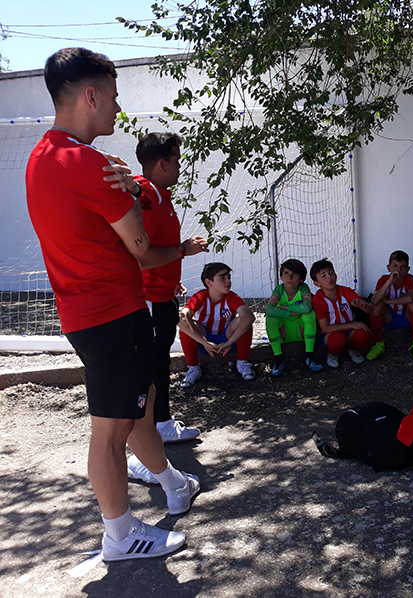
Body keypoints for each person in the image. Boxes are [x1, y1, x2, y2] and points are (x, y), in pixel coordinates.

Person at [26, 47, 201, 561]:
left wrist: (127, 192)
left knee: (138, 406)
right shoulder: (88, 163)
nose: (118, 108)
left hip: (88, 311)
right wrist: (130, 194)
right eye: (114, 96)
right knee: (110, 430)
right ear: (90, 95)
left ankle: (173, 484)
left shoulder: (42, 156)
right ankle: (120, 535)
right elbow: (141, 247)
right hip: (111, 312)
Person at [134, 132, 208, 443]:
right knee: (154, 365)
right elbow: (140, 256)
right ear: (162, 164)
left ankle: (160, 424)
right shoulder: (146, 198)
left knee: (159, 361)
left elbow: (155, 250)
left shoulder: (159, 195)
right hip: (149, 299)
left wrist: (171, 276)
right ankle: (156, 428)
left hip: (162, 294)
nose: (180, 167)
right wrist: (181, 251)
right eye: (177, 161)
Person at [178, 262, 256, 386]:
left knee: (244, 320)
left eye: (229, 277)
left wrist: (230, 342)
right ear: (209, 282)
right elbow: (181, 319)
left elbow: (249, 316)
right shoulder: (199, 297)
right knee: (185, 325)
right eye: (222, 278)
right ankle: (194, 368)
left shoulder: (232, 297)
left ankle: (242, 362)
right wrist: (205, 343)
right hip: (203, 344)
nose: (228, 281)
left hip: (228, 343)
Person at [310, 258, 375, 368]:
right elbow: (325, 328)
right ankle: (332, 353)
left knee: (363, 334)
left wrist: (363, 305)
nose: (329, 277)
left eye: (331, 273)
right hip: (329, 334)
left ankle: (353, 349)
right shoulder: (317, 300)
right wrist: (352, 325)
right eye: (324, 276)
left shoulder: (346, 291)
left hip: (349, 332)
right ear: (317, 283)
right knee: (337, 338)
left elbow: (371, 310)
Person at [265, 258, 324, 376]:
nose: (289, 277)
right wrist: (293, 312)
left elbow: (307, 308)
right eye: (286, 273)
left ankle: (310, 356)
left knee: (310, 315)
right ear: (281, 276)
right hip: (284, 331)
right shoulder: (279, 290)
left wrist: (285, 308)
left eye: (294, 274)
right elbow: (269, 310)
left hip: (301, 330)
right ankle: (278, 359)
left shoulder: (303, 288)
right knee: (270, 318)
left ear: (301, 279)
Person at [366, 250, 413, 360]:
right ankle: (379, 345)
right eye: (395, 266)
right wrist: (389, 281)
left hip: (406, 317)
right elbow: (374, 301)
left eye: (402, 267)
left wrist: (388, 301)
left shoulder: (409, 278)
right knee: (377, 306)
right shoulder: (383, 279)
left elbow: (410, 298)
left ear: (408, 269)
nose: (398, 270)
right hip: (389, 317)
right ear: (388, 268)